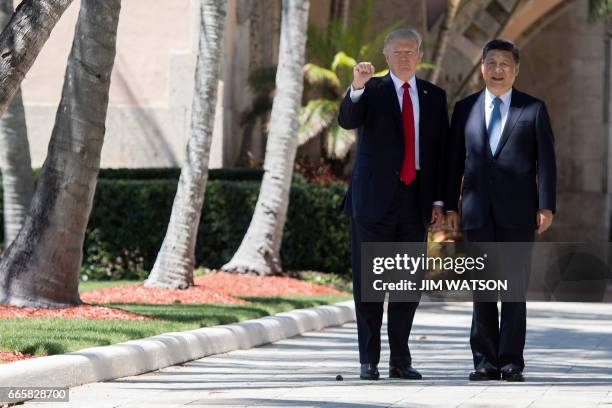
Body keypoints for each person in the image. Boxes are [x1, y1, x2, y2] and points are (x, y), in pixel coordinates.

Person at [338, 28, 448, 381]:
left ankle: (400, 359)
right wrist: (356, 86)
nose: (404, 57)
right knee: (370, 283)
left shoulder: (434, 95)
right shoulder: (370, 90)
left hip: (415, 199)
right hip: (373, 201)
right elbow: (347, 120)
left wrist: (439, 200)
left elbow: (440, 153)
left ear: (419, 54)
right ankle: (368, 359)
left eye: (410, 51)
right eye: (397, 51)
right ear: (386, 56)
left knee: (406, 285)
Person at [445, 39, 557, 382]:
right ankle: (484, 362)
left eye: (505, 65)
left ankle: (511, 362)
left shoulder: (533, 109)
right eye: (491, 63)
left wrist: (546, 205)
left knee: (512, 290)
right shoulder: (464, 108)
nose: (497, 70)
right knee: (482, 289)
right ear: (481, 67)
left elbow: (547, 163)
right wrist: (449, 204)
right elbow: (452, 162)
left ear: (516, 70)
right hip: (477, 212)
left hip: (519, 213)